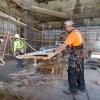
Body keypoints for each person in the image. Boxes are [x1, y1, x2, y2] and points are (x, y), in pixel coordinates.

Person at [55, 20, 85, 95]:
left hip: (75, 57)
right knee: (80, 72)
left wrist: (54, 50)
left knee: (72, 73)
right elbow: (80, 43)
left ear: (69, 27)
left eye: (65, 28)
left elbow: (63, 46)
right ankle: (82, 87)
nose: (65, 29)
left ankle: (73, 90)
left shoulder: (71, 34)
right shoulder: (77, 32)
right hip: (80, 55)